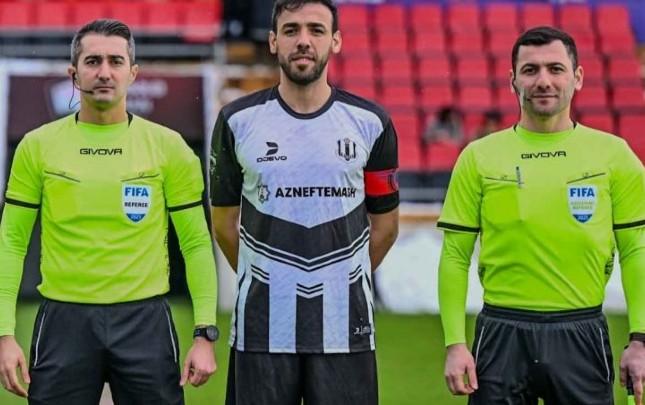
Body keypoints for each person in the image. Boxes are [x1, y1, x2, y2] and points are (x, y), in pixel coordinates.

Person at [0, 19, 219, 404]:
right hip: (64, 322)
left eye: (116, 61)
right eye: (93, 61)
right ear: (73, 73)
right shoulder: (37, 146)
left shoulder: (169, 147)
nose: (104, 72)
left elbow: (197, 243)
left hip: (145, 323)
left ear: (133, 73)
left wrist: (204, 334)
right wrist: (4, 334)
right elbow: (12, 241)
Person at [437, 26, 645, 405]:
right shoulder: (478, 157)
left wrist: (640, 339)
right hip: (501, 334)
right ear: (512, 80)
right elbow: (454, 255)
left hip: (581, 332)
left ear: (577, 77)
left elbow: (636, 251)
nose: (543, 81)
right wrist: (455, 343)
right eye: (530, 70)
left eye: (555, 68)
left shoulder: (615, 156)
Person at [210, 1, 399, 404]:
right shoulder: (236, 121)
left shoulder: (371, 123)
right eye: (291, 30)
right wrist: (267, 278)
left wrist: (342, 279)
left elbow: (385, 227)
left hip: (345, 329)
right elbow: (224, 223)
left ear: (336, 41)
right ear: (273, 41)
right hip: (261, 329)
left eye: (316, 30)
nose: (303, 41)